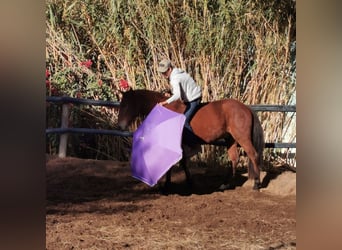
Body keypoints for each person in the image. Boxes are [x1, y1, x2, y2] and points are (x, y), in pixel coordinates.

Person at [157, 59, 202, 156]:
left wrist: (165, 102)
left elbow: (177, 95)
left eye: (164, 72)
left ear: (169, 69)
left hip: (193, 99)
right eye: (162, 73)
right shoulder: (177, 72)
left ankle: (195, 146)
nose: (163, 75)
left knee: (184, 121)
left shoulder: (175, 78)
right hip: (192, 96)